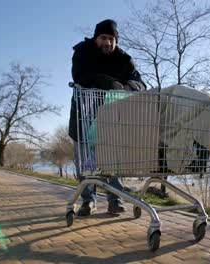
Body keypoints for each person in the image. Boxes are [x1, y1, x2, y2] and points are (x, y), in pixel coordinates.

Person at [69, 19, 146, 216]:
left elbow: (140, 83)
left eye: (112, 39)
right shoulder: (82, 53)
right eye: (104, 38)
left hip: (113, 117)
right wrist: (108, 82)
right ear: (96, 38)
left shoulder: (124, 59)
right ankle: (88, 200)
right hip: (84, 114)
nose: (108, 42)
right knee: (87, 162)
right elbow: (79, 77)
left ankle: (115, 200)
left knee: (114, 160)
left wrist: (129, 87)